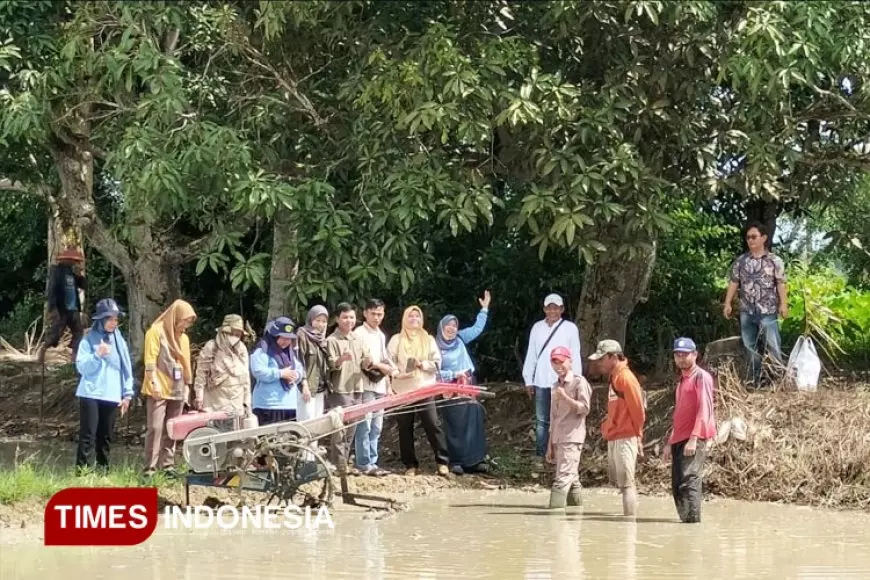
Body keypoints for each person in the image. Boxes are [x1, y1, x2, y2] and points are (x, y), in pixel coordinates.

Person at [723, 222, 788, 387]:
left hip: (768, 311)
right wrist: (728, 303)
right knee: (750, 347)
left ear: (764, 238)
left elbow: (780, 283)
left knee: (773, 345)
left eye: (754, 237)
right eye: (748, 237)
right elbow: (734, 282)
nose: (750, 240)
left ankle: (778, 380)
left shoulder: (774, 261)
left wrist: (784, 304)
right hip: (747, 310)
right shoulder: (741, 261)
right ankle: (754, 381)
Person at [388, 305, 450, 477]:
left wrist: (422, 364)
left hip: (424, 387)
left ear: (421, 319)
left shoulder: (428, 339)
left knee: (432, 423)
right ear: (404, 318)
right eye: (410, 316)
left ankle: (442, 461)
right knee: (404, 427)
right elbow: (389, 359)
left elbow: (437, 362)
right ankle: (410, 465)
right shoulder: (396, 339)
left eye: (417, 316)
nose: (414, 319)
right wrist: (396, 372)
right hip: (402, 389)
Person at [522, 293, 583, 466]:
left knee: (562, 417)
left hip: (562, 380)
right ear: (544, 309)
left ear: (562, 309)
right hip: (541, 380)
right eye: (549, 307)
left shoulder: (570, 328)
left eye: (556, 307)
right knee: (542, 420)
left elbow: (575, 355)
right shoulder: (537, 328)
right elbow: (532, 354)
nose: (552, 311)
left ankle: (562, 453)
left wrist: (576, 379)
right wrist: (528, 379)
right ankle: (541, 453)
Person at [74, 298, 133, 473]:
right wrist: (97, 355)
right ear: (100, 320)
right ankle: (82, 472)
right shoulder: (88, 340)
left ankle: (103, 471)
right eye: (110, 319)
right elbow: (82, 368)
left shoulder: (119, 341)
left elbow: (126, 368)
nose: (113, 323)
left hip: (112, 394)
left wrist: (127, 394)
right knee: (88, 435)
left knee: (106, 436)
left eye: (116, 319)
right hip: (91, 393)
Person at [589, 339, 646, 517]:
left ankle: (629, 526)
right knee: (622, 484)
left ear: (613, 357)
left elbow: (638, 411)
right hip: (616, 435)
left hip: (625, 435)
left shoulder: (625, 377)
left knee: (628, 485)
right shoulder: (615, 376)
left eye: (601, 359)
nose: (598, 363)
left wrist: (638, 435)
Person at [663, 337, 717, 523]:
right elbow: (678, 414)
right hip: (679, 438)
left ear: (695, 355)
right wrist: (670, 442)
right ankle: (685, 523)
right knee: (677, 484)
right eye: (678, 355)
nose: (681, 359)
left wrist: (694, 437)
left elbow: (704, 409)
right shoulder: (681, 381)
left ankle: (692, 524)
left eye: (685, 355)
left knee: (690, 481)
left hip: (694, 437)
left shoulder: (701, 377)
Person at [141, 299, 197, 477]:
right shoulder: (155, 332)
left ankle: (168, 465)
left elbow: (186, 363)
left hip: (178, 389)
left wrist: (188, 386)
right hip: (158, 388)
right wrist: (153, 382)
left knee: (172, 428)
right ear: (175, 317)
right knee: (155, 427)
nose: (186, 325)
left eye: (189, 322)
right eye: (184, 321)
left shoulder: (184, 339)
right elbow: (150, 360)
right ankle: (150, 468)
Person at [436, 313, 490, 475]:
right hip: (450, 388)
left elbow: (477, 329)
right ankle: (456, 462)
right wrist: (453, 374)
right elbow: (435, 372)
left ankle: (475, 460)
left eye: (455, 326)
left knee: (474, 418)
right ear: (441, 326)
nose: (452, 329)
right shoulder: (435, 346)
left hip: (468, 384)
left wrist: (484, 310)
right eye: (449, 325)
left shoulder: (460, 339)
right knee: (455, 424)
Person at [325, 302, 374, 475]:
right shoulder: (331, 340)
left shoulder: (358, 339)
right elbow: (330, 365)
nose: (349, 320)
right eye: (345, 317)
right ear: (337, 319)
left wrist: (367, 362)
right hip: (340, 389)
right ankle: (337, 464)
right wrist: (340, 360)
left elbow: (365, 361)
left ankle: (343, 463)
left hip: (357, 387)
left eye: (352, 317)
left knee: (352, 427)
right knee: (339, 428)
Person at [353, 299, 397, 476]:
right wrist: (382, 367)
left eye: (380, 314)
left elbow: (384, 358)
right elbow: (363, 361)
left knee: (377, 426)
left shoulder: (380, 334)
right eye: (373, 313)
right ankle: (363, 463)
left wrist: (388, 382)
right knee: (365, 425)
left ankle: (373, 460)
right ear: (365, 313)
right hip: (364, 385)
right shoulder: (358, 333)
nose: (377, 317)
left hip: (379, 385)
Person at [545, 346, 592, 509]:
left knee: (562, 479)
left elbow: (585, 408)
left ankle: (554, 516)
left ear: (570, 361)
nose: (558, 366)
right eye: (554, 362)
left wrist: (565, 397)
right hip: (558, 437)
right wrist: (549, 443)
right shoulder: (554, 386)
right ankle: (576, 513)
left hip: (572, 437)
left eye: (561, 362)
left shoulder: (579, 382)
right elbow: (553, 416)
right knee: (572, 478)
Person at [192, 314, 251, 415]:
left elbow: (246, 378)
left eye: (238, 335)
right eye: (232, 334)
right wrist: (199, 397)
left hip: (237, 403)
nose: (235, 337)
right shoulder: (211, 347)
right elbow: (201, 375)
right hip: (215, 403)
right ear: (224, 332)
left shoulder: (241, 349)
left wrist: (247, 402)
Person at [251, 317, 305, 425]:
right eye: (283, 338)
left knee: (289, 439)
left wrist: (295, 375)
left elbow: (299, 369)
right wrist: (281, 373)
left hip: (289, 404)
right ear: (274, 337)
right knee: (269, 440)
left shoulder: (290, 354)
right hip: (268, 405)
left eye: (289, 339)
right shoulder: (262, 351)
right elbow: (258, 371)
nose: (286, 342)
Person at [40, 246, 87, 363]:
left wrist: (80, 275)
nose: (74, 263)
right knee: (55, 335)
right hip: (61, 309)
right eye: (72, 261)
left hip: (73, 309)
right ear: (65, 260)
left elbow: (84, 286)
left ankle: (75, 359)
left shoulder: (73, 273)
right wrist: (52, 309)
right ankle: (42, 352)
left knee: (78, 333)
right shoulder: (56, 271)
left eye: (76, 261)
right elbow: (51, 290)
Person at [296, 305, 330, 422]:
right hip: (307, 387)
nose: (321, 324)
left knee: (318, 425)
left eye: (324, 321)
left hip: (320, 387)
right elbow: (299, 361)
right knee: (306, 424)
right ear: (311, 319)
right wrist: (304, 384)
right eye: (317, 320)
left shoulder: (322, 339)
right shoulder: (302, 334)